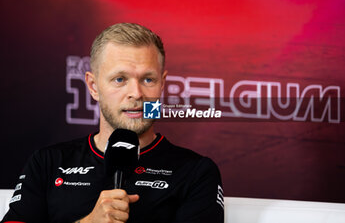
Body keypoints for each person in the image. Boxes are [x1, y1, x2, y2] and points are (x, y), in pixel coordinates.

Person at [1, 23, 224, 223]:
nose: (136, 94)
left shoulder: (196, 172)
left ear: (162, 84)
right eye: (120, 79)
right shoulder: (47, 163)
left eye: (148, 79)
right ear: (93, 86)